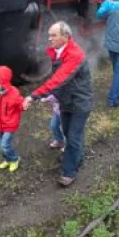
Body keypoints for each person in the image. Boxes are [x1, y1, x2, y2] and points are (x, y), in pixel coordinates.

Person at [28, 21, 93, 187]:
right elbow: (59, 82)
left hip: (80, 102)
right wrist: (51, 96)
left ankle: (69, 172)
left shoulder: (74, 55)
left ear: (65, 37)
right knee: (69, 133)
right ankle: (77, 158)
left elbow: (58, 79)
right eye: (49, 35)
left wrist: (34, 96)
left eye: (53, 35)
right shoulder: (57, 52)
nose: (49, 38)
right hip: (65, 101)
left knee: (73, 137)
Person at [0, 66, 28, 172]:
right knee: (0, 145)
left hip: (10, 125)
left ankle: (15, 159)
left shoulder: (14, 93)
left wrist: (24, 106)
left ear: (4, 82)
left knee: (5, 145)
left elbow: (20, 105)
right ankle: (7, 160)